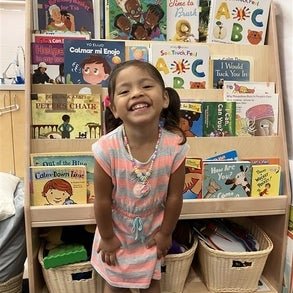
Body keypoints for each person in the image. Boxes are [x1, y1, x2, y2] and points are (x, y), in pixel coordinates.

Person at [91, 60, 189, 292]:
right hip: (115, 230)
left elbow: (175, 196)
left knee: (151, 283)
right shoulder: (106, 148)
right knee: (115, 285)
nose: (136, 94)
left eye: (146, 86)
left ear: (164, 98)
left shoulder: (175, 145)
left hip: (152, 229)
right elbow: (102, 200)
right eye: (125, 91)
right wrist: (106, 237)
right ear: (114, 108)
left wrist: (166, 233)